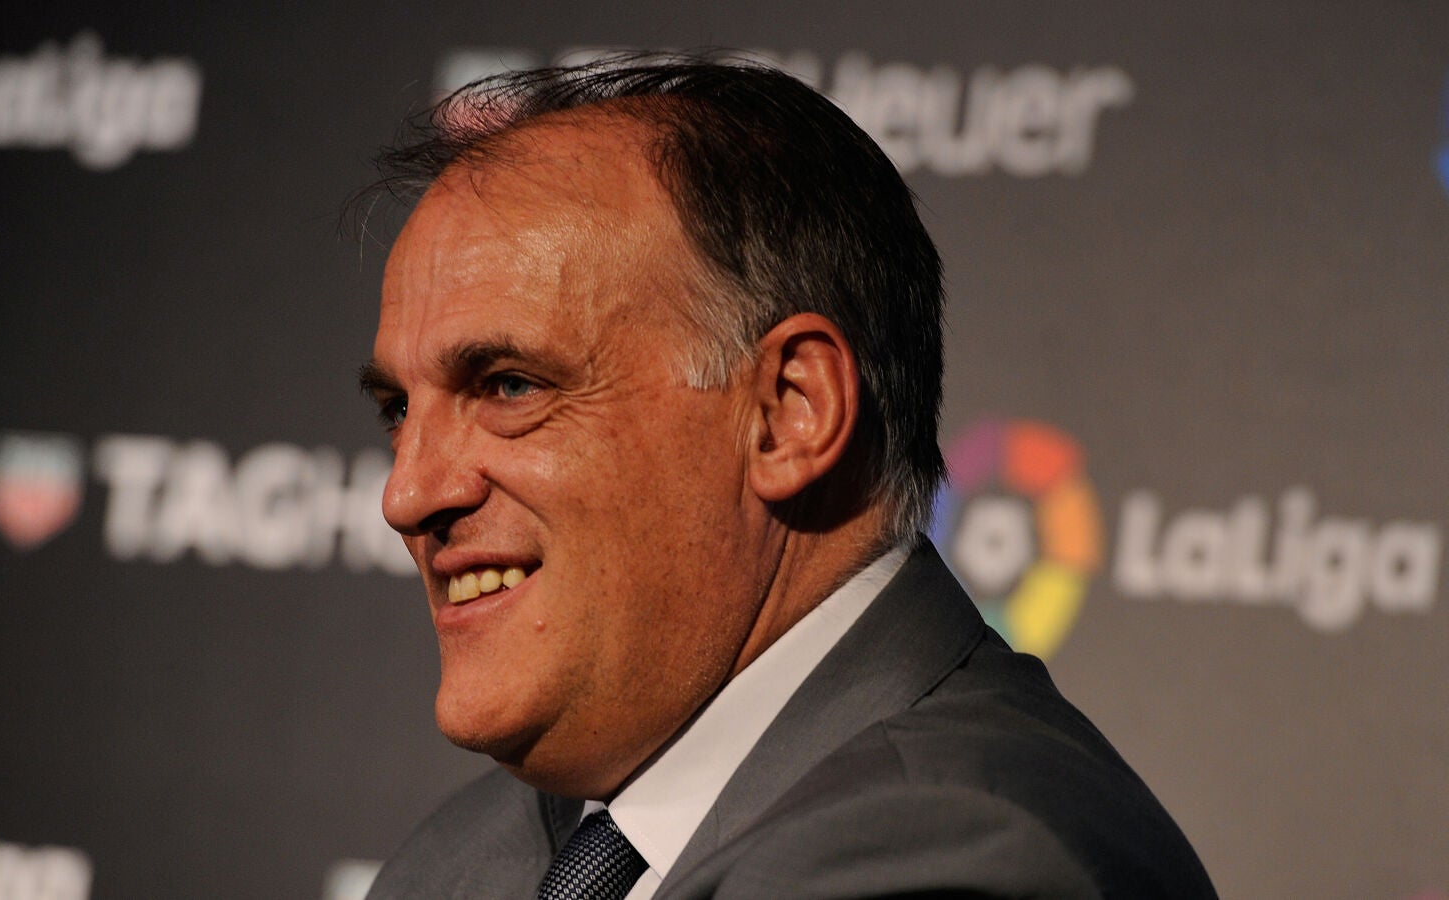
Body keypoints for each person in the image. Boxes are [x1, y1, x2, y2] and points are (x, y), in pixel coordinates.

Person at [355, 56, 1215, 899]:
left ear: (788, 412)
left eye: (510, 386)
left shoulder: (959, 855)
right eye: (398, 409)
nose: (407, 496)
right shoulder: (458, 862)